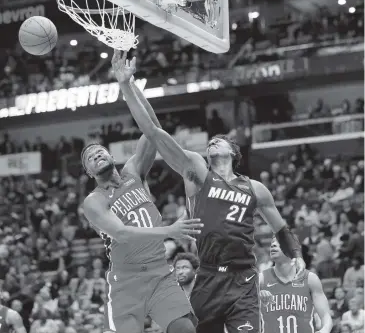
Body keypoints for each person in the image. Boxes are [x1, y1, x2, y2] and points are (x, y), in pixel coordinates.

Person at [112, 50, 305, 333]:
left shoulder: (256, 189)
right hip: (209, 276)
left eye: (219, 140)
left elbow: (281, 227)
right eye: (210, 141)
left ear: (234, 152)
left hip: (244, 279)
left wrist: (297, 255)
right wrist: (127, 86)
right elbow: (153, 132)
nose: (212, 142)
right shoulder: (198, 173)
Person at [82, 70, 203, 333]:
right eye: (90, 158)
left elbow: (153, 130)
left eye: (99, 151)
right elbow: (122, 233)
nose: (96, 155)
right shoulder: (94, 201)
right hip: (126, 280)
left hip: (160, 272)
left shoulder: (133, 171)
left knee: (186, 329)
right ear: (90, 172)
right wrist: (169, 230)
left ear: (110, 155)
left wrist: (130, 87)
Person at [260, 237, 333, 333]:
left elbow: (325, 316)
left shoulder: (310, 279)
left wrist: (325, 330)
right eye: (272, 243)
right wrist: (257, 299)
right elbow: (244, 314)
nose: (273, 245)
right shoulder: (261, 279)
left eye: (279, 243)